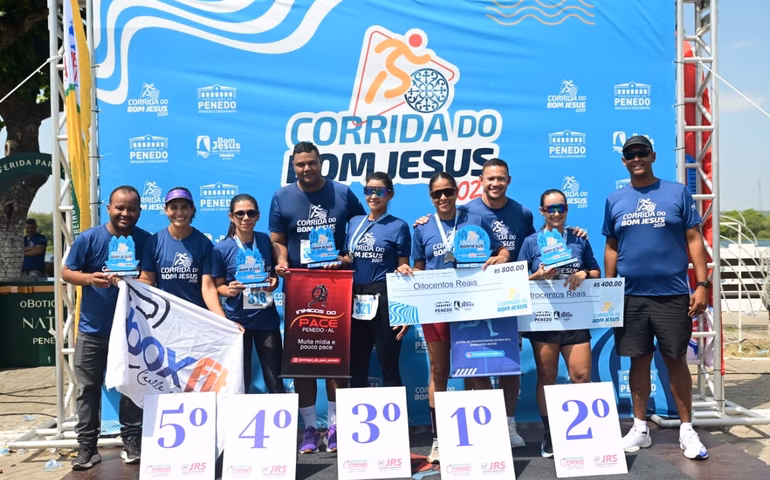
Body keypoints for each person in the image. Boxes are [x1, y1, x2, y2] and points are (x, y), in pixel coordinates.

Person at [603, 135, 710, 460]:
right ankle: (639, 428)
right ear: (624, 161)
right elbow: (611, 246)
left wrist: (702, 284)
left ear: (653, 155)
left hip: (672, 294)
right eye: (630, 154)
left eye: (641, 153)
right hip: (631, 296)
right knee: (638, 360)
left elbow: (694, 238)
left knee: (676, 360)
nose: (636, 158)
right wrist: (608, 290)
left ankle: (687, 430)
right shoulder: (615, 199)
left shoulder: (677, 192)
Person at [404, 171, 509, 464]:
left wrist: (500, 257)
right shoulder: (423, 228)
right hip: (436, 308)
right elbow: (419, 268)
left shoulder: (476, 218)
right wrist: (409, 274)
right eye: (437, 194)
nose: (443, 198)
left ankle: (488, 436)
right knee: (439, 371)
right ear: (430, 196)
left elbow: (503, 249)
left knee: (476, 369)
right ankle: (439, 439)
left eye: (447, 192)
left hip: (471, 307)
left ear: (457, 191)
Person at [269, 141, 366, 454]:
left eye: (311, 163)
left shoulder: (342, 193)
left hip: (336, 287)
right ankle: (310, 429)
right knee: (303, 361)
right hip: (299, 288)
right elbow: (277, 240)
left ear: (321, 162)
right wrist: (282, 261)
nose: (306, 169)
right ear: (293, 166)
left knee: (334, 361)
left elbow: (362, 230)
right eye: (300, 165)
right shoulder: (282, 196)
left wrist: (347, 257)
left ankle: (336, 426)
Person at [62, 186, 151, 470]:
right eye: (120, 208)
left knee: (131, 386)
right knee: (87, 389)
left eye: (132, 209)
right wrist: (90, 279)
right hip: (91, 330)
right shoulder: (89, 238)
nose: (125, 213)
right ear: (108, 207)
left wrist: (127, 281)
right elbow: (66, 272)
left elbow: (149, 280)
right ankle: (87, 447)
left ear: (139, 211)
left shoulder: (145, 240)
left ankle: (132, 441)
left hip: (130, 332)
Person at [518, 188, 601, 458]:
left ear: (567, 210)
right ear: (542, 212)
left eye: (560, 208)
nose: (556, 213)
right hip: (544, 319)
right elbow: (517, 279)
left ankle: (583, 432)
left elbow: (596, 270)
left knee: (582, 376)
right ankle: (550, 434)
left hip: (576, 319)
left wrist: (583, 273)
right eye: (550, 209)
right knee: (547, 377)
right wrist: (537, 276)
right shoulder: (531, 242)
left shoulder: (579, 239)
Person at [460, 158, 535, 448]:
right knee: (469, 360)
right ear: (481, 180)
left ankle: (508, 423)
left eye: (500, 178)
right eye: (490, 178)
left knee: (508, 363)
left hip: (508, 297)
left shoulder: (522, 212)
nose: (495, 183)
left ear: (509, 180)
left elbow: (532, 248)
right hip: (473, 297)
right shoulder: (466, 211)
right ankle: (482, 423)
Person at [339, 172, 411, 388]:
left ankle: (395, 419)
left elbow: (403, 268)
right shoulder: (354, 223)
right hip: (355, 298)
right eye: (369, 191)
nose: (373, 196)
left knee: (388, 361)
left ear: (390, 194)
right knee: (356, 363)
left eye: (379, 191)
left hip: (385, 297)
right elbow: (347, 257)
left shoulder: (399, 226)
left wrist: (406, 311)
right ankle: (356, 418)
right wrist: (330, 260)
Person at [212, 194, 285, 393]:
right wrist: (230, 290)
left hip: (266, 321)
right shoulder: (221, 248)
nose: (246, 218)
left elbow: (272, 275)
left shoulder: (264, 240)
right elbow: (218, 286)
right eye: (240, 213)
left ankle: (282, 423)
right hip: (238, 324)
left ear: (258, 216)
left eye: (251, 213)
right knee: (239, 380)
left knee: (274, 379)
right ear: (231, 216)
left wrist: (273, 281)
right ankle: (238, 423)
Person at [139, 187, 224, 316]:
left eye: (184, 207)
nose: (179, 212)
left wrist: (223, 320)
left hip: (196, 317)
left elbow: (208, 288)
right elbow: (147, 281)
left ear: (192, 210)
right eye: (173, 207)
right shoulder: (153, 242)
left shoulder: (204, 243)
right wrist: (121, 280)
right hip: (165, 316)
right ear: (165, 210)